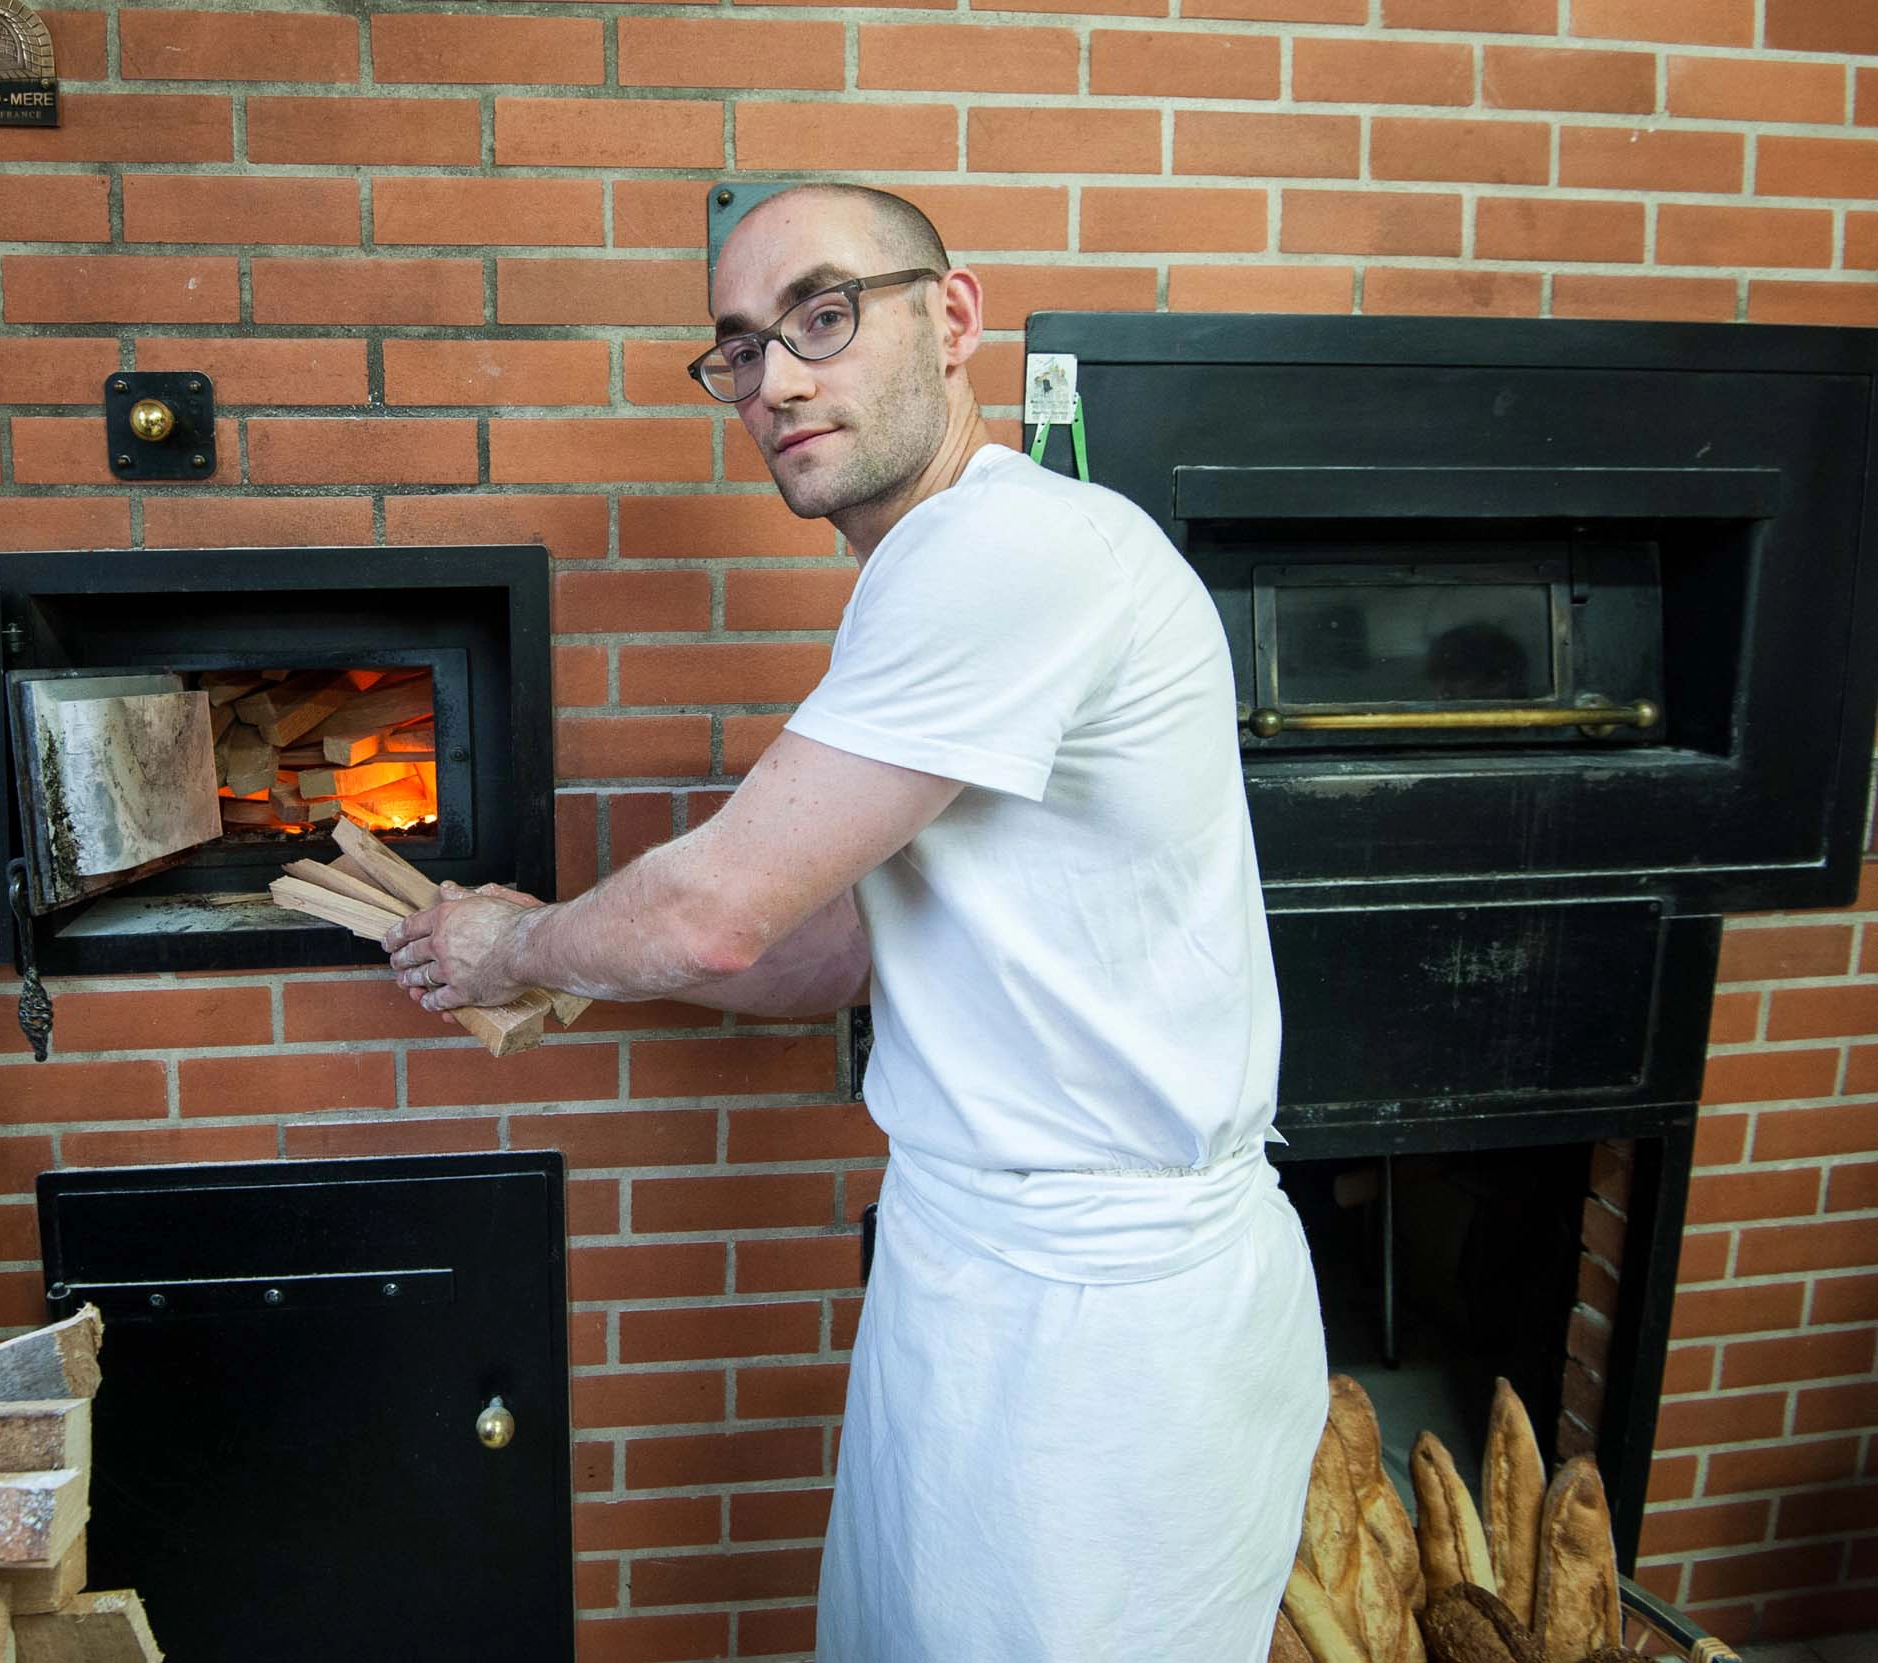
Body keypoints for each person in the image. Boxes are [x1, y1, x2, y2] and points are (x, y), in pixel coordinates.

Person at [380, 183, 1327, 1660]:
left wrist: (522, 944)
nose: (780, 380)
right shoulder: (930, 577)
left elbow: (719, 912)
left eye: (825, 315)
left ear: (952, 320)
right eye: (742, 350)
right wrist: (587, 977)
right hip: (977, 1272)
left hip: (1101, 1323)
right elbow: (850, 944)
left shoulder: (1003, 555)